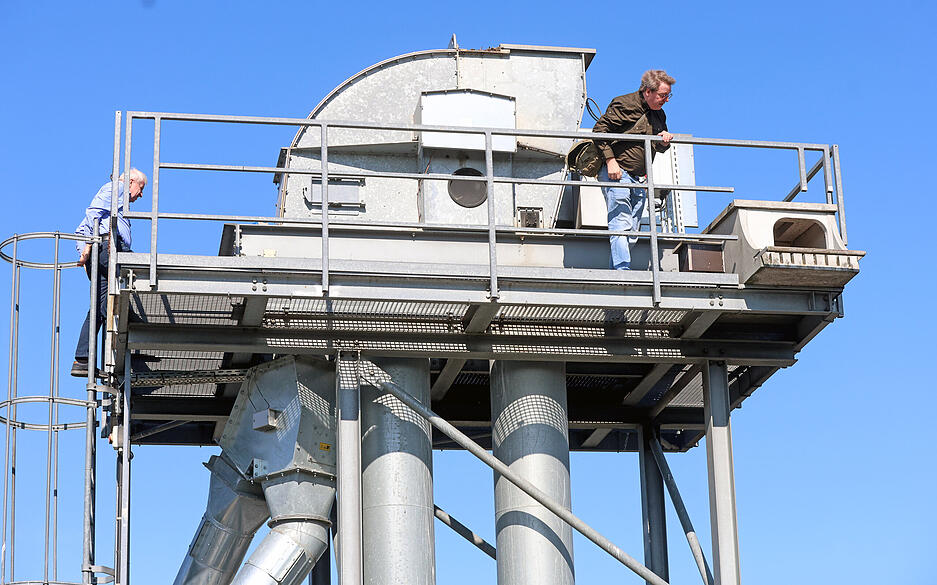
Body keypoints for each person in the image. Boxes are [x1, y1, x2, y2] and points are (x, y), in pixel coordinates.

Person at [592, 70, 675, 270]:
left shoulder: (659, 114)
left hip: (638, 178)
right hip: (618, 172)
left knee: (632, 230)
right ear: (647, 91)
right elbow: (599, 131)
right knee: (620, 221)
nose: (666, 100)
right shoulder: (624, 104)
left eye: (668, 96)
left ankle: (617, 271)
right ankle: (622, 272)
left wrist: (663, 140)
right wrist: (610, 161)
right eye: (663, 95)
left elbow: (657, 147)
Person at [70, 169, 146, 377]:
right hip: (110, 248)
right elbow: (92, 213)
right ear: (131, 182)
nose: (141, 195)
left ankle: (82, 359)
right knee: (138, 281)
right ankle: (138, 334)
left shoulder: (115, 201)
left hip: (102, 249)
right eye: (141, 188)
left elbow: (81, 228)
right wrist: (91, 246)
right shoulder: (118, 187)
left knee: (98, 307)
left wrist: (85, 251)